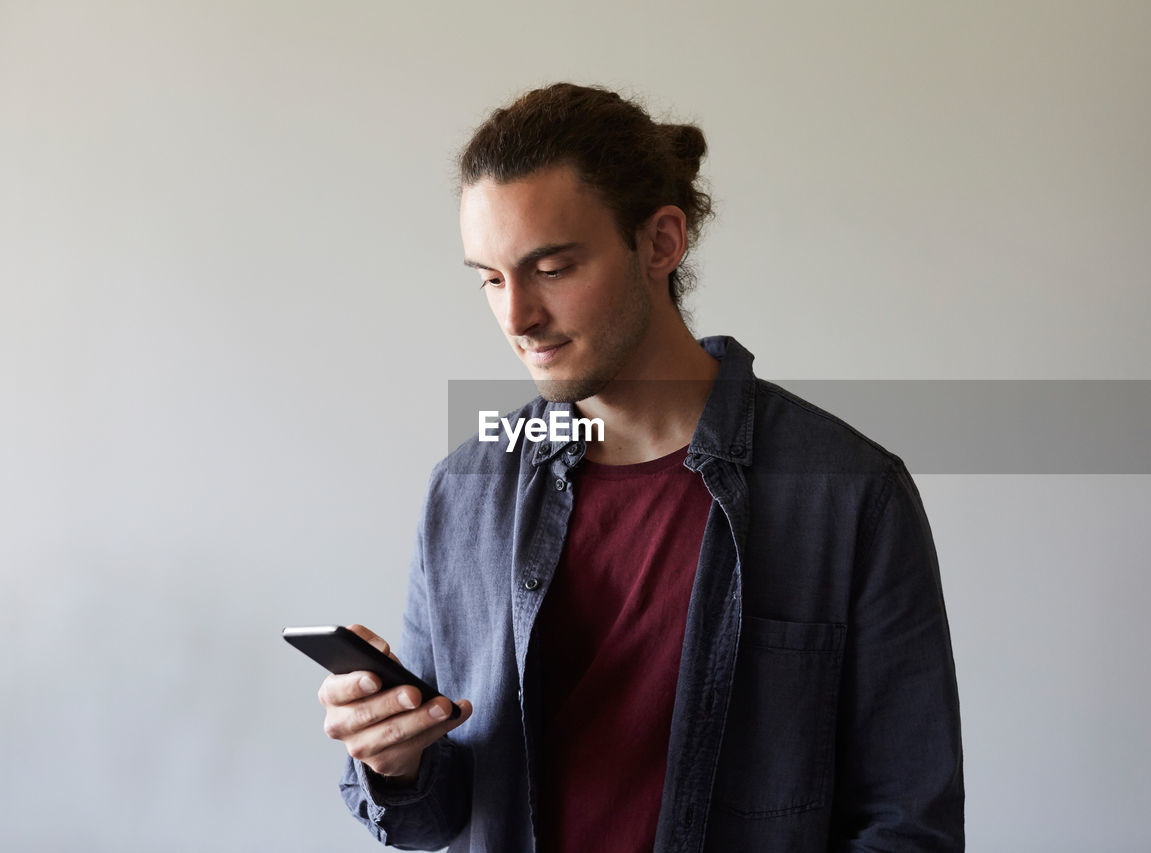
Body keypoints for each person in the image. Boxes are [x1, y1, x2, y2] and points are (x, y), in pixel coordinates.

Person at [314, 82, 964, 852]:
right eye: (490, 278)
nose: (516, 316)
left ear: (660, 242)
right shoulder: (466, 490)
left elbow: (907, 823)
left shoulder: (847, 492)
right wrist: (395, 762)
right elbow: (436, 816)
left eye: (551, 267)